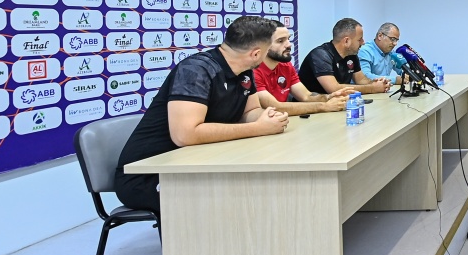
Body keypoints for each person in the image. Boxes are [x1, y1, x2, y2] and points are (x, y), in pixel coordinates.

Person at [114, 16, 290, 212]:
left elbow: (250, 111)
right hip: (149, 175)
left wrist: (267, 119)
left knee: (254, 188)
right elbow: (185, 135)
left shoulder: (244, 69)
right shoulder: (195, 70)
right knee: (233, 198)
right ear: (256, 54)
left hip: (198, 163)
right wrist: (258, 128)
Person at [253, 21, 354, 115]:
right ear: (262, 46)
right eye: (280, 41)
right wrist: (324, 106)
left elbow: (306, 96)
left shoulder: (286, 66)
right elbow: (276, 107)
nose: (289, 44)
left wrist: (329, 97)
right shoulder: (253, 71)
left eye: (288, 39)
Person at [298, 18, 392, 95]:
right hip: (312, 106)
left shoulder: (351, 55)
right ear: (346, 41)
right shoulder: (320, 55)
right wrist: (372, 88)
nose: (363, 42)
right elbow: (334, 89)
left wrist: (376, 82)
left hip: (336, 104)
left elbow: (361, 80)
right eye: (359, 39)